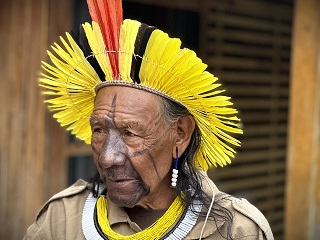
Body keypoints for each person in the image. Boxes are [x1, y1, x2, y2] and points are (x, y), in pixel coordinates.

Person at [24, 0, 274, 239]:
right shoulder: (60, 220)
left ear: (181, 133)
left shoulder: (236, 231)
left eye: (130, 133)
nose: (107, 157)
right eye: (99, 130)